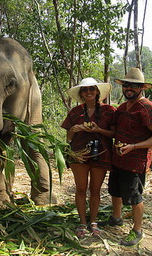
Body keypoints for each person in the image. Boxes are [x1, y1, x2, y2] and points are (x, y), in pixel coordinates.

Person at [106, 68, 152, 246]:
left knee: (134, 196)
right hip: (118, 158)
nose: (128, 88)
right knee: (115, 191)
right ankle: (116, 218)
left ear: (141, 88)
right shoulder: (123, 108)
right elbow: (114, 129)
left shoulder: (148, 108)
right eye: (126, 85)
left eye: (133, 85)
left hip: (135, 161)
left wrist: (134, 146)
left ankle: (137, 230)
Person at [61, 77, 116, 238]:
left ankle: (93, 222)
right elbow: (68, 137)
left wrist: (98, 130)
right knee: (80, 189)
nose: (89, 92)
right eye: (85, 90)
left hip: (102, 153)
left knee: (95, 190)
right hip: (79, 154)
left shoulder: (109, 111)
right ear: (81, 93)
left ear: (97, 91)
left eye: (92, 89)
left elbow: (113, 133)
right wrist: (74, 129)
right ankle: (82, 222)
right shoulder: (75, 112)